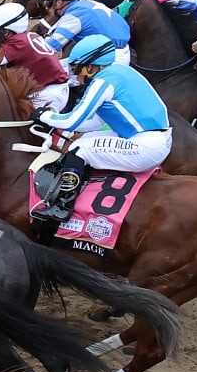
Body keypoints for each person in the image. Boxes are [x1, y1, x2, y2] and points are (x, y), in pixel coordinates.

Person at [30, 35, 173, 241]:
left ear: (92, 67)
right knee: (81, 143)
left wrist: (44, 115)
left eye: (78, 69)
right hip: (151, 138)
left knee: (80, 149)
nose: (75, 75)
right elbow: (92, 123)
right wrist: (55, 120)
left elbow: (73, 120)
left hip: (145, 144)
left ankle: (61, 207)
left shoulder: (103, 82)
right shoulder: (121, 72)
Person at [0, 2, 72, 114]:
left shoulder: (16, 44)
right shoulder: (28, 36)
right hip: (53, 90)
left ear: (6, 32)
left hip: (48, 95)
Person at [39, 0, 132, 66]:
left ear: (59, 2)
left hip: (108, 59)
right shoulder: (88, 4)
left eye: (48, 3)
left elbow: (49, 48)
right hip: (120, 52)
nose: (47, 8)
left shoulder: (73, 16)